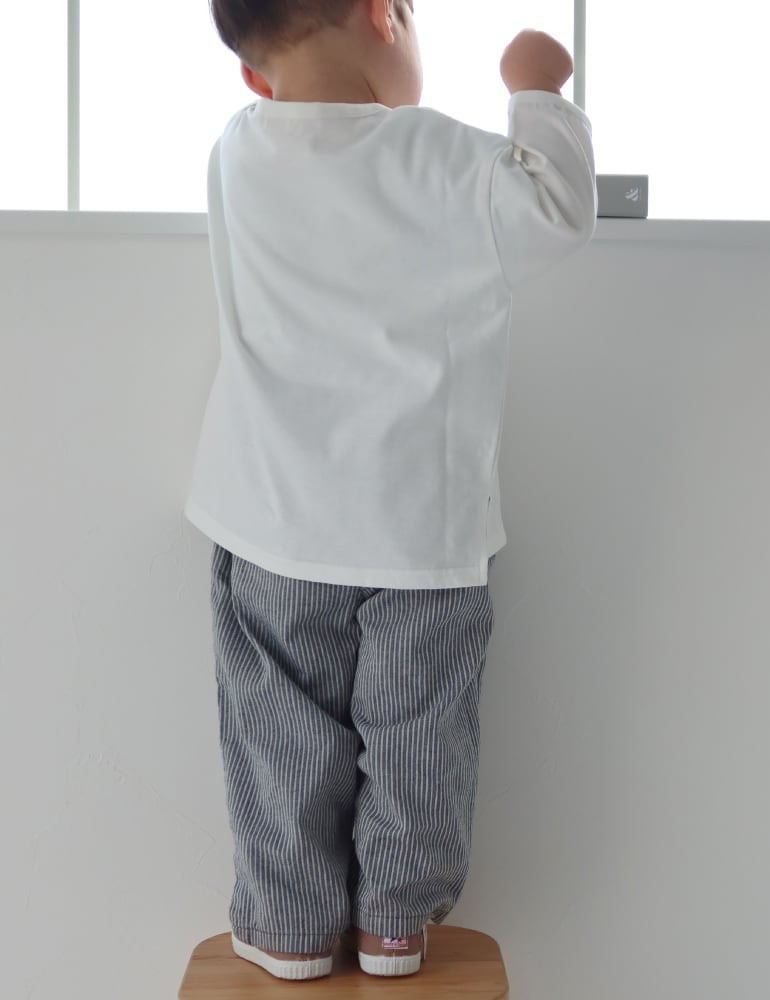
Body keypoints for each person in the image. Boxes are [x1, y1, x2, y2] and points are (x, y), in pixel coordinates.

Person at [185, 0, 596, 982]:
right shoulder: (442, 157)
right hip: (422, 532)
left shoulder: (237, 153)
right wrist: (537, 89)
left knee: (279, 735)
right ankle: (396, 926)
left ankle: (290, 927)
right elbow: (555, 213)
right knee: (420, 737)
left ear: (251, 74)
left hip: (273, 520)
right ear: (386, 16)